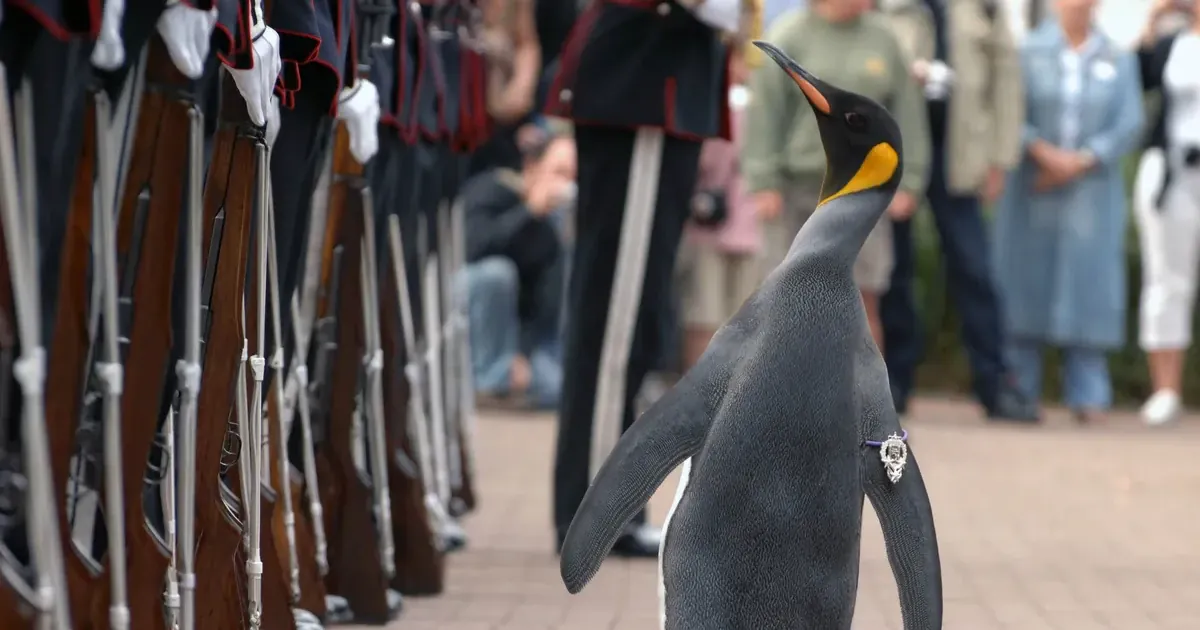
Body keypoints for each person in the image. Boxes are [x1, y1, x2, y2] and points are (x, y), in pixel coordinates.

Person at [545, 0, 746, 557]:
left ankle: (612, 503)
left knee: (634, 321)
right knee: (615, 320)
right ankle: (594, 508)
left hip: (659, 90)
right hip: (645, 92)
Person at [880, 0, 1039, 423]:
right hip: (897, 150)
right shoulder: (885, 6)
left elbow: (1006, 81)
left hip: (960, 154)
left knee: (974, 268)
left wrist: (1000, 159)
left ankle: (995, 383)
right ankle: (893, 382)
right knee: (894, 270)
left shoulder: (983, 7)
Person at [742, 0, 931, 352]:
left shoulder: (885, 38)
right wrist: (764, 181)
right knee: (786, 304)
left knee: (862, 303)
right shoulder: (788, 35)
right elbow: (765, 114)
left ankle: (864, 388)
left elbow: (908, 112)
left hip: (864, 193)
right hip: (800, 192)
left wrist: (910, 181)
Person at [990, 0, 1144, 422]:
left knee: (1090, 283)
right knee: (1025, 278)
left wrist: (1080, 161)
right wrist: (1043, 153)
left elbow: (1129, 122)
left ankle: (1089, 391)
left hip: (1091, 189)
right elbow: (1010, 111)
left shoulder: (1119, 57)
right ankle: (1019, 388)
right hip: (1033, 184)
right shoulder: (1028, 52)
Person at [462, 133, 575, 410]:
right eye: (559, 172)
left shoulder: (549, 232)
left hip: (514, 338)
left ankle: (503, 380)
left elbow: (541, 307)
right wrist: (528, 212)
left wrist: (522, 355)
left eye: (573, 176)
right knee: (497, 274)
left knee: (559, 388)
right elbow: (472, 248)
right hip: (467, 321)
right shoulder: (492, 189)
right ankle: (486, 381)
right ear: (532, 167)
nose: (565, 185)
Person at [1132, 0, 1200, 425]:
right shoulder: (1174, 43)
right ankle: (1166, 388)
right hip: (1174, 171)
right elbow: (1137, 78)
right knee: (1166, 278)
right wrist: (1154, 18)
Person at [677, 51, 760, 370]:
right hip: (732, 223)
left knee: (712, 316)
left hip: (725, 221)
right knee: (714, 316)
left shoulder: (727, 104)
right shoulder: (746, 105)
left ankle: (711, 391)